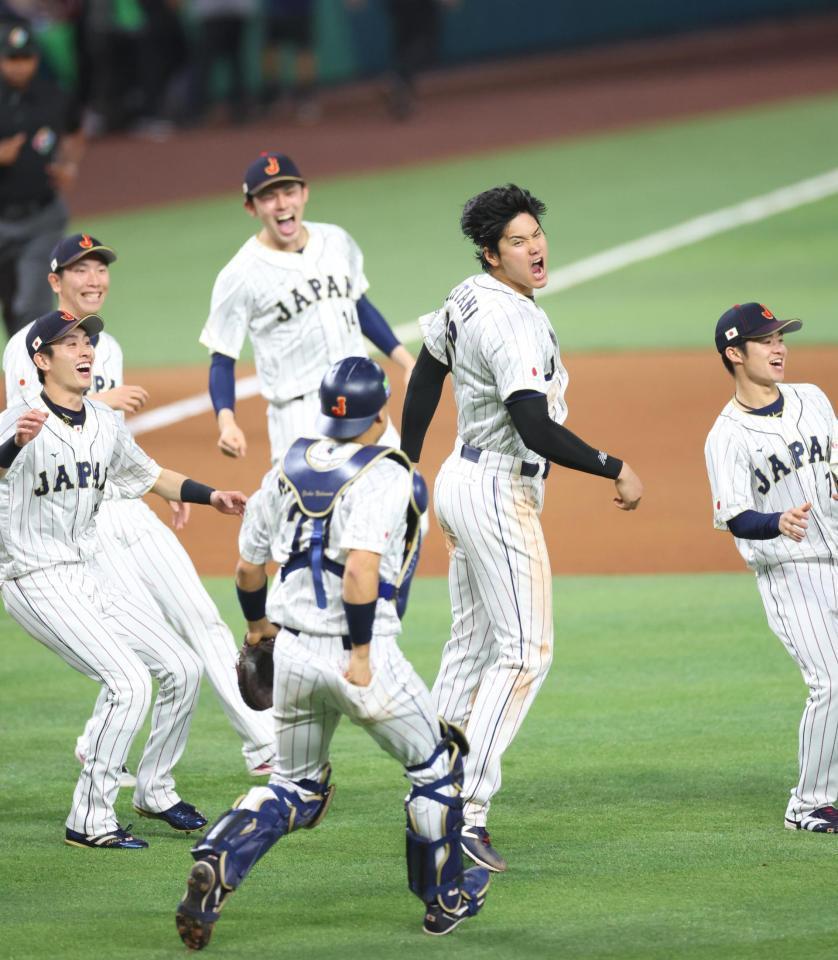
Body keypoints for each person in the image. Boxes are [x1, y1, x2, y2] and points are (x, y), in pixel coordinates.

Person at [175, 356, 490, 948]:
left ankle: (220, 857)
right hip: (359, 656)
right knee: (434, 767)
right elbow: (361, 573)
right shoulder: (388, 474)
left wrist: (259, 632)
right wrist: (363, 655)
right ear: (382, 411)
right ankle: (444, 897)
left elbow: (248, 568)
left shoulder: (284, 468)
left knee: (295, 786)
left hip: (292, 652)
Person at [400, 184, 644, 871]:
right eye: (516, 241)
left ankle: (428, 787)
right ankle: (463, 807)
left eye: (535, 234)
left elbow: (426, 372)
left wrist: (404, 461)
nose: (534, 247)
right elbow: (535, 426)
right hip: (498, 489)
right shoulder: (509, 320)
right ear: (490, 253)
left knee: (471, 644)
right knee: (526, 651)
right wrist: (613, 465)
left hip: (459, 479)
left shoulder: (467, 293)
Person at [2, 232, 276, 779]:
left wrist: (166, 487)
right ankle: (100, 749)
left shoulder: (110, 346)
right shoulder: (27, 345)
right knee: (147, 648)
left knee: (199, 616)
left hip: (126, 501)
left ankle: (264, 744)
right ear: (55, 281)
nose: (94, 279)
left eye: (100, 269)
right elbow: (34, 423)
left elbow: (109, 440)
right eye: (80, 270)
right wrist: (104, 400)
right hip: (78, 523)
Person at [0, 310, 248, 849]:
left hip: (89, 570)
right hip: (33, 576)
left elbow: (149, 475)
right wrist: (11, 447)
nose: (85, 349)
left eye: (87, 339)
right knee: (128, 683)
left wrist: (212, 497)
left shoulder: (105, 423)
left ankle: (155, 789)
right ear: (42, 361)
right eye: (69, 343)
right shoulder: (16, 420)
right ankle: (89, 818)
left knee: (183, 665)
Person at [704, 301, 838, 832]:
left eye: (781, 337)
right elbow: (733, 516)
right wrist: (777, 520)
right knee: (830, 683)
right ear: (735, 354)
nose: (779, 347)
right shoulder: (727, 436)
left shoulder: (813, 398)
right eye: (766, 341)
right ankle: (808, 804)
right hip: (792, 570)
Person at [199, 151, 415, 465]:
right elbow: (222, 357)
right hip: (299, 417)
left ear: (304, 193)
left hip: (363, 403)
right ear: (251, 207)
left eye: (289, 192)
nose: (282, 204)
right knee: (310, 510)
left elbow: (359, 306)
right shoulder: (239, 275)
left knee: (400, 494)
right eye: (269, 197)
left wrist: (406, 361)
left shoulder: (336, 240)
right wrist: (227, 421)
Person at [0, 19, 84, 338]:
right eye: (12, 59)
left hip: (42, 218)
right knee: (11, 305)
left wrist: (69, 164)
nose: (20, 67)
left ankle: (33, 382)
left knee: (31, 306)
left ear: (36, 58)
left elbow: (76, 133)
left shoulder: (54, 96)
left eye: (26, 58)